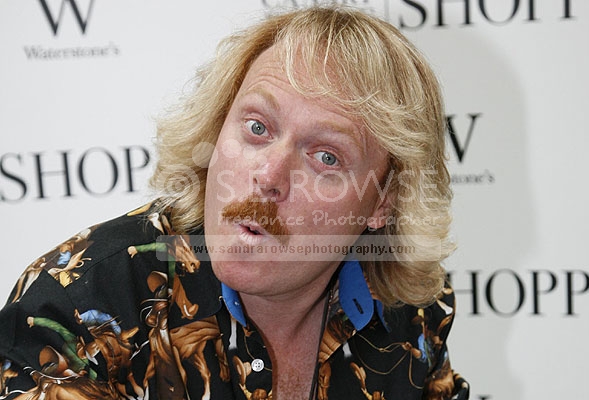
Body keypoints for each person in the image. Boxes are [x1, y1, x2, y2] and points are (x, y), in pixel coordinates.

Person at [0, 5, 469, 400]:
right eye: (257, 128)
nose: (269, 176)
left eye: (326, 157)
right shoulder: (80, 305)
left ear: (383, 201)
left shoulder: (409, 313)